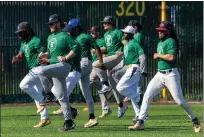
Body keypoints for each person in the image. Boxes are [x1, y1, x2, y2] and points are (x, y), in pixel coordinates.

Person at [128, 21, 201, 133]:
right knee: (147, 95)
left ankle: (194, 119)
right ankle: (140, 122)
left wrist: (158, 55)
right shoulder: (160, 43)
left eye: (162, 31)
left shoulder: (171, 41)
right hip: (160, 74)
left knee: (180, 101)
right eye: (159, 31)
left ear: (168, 32)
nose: (159, 32)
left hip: (171, 75)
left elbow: (171, 57)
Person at [38, 14, 80, 131]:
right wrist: (43, 55)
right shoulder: (50, 37)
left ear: (57, 23)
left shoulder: (65, 36)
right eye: (49, 24)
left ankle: (48, 94)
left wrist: (66, 57)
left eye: (52, 23)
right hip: (55, 67)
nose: (50, 26)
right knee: (62, 98)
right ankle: (69, 122)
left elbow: (75, 48)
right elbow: (49, 53)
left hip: (63, 66)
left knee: (41, 71)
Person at [60, 18, 103, 128]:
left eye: (72, 28)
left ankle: (66, 106)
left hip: (84, 62)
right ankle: (92, 118)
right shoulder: (71, 37)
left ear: (77, 28)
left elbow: (97, 48)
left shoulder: (85, 36)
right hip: (80, 64)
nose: (70, 30)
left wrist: (101, 62)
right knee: (86, 93)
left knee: (67, 82)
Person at [12, 22, 50, 128]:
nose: (19, 34)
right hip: (33, 70)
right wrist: (16, 58)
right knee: (36, 93)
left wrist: (42, 56)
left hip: (40, 68)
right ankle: (45, 118)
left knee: (23, 85)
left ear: (27, 31)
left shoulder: (36, 40)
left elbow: (44, 52)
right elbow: (21, 55)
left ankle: (43, 100)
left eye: (21, 32)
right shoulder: (24, 43)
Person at [93, 16, 128, 118]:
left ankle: (104, 83)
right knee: (114, 85)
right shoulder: (106, 34)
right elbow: (106, 48)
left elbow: (125, 44)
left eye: (105, 23)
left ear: (110, 23)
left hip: (118, 57)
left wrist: (123, 51)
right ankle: (121, 106)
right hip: (111, 57)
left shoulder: (117, 32)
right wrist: (98, 50)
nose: (103, 24)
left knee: (95, 64)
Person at [115, 26, 142, 126]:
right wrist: (115, 69)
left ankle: (138, 97)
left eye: (126, 33)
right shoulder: (126, 45)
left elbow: (142, 56)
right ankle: (139, 116)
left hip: (134, 68)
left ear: (131, 34)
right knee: (132, 92)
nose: (124, 34)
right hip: (129, 68)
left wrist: (143, 69)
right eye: (124, 32)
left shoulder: (135, 43)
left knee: (120, 87)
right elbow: (124, 61)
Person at [88, 26, 111, 118]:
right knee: (101, 90)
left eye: (93, 32)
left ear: (98, 33)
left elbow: (106, 48)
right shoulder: (91, 42)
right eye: (91, 32)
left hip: (100, 65)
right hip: (93, 65)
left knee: (91, 80)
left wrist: (99, 51)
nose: (92, 34)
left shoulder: (101, 40)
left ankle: (107, 87)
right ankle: (106, 109)